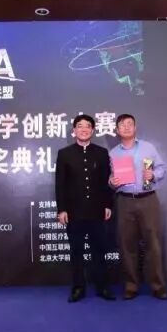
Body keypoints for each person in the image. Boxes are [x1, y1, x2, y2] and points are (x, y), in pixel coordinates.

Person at [55, 114, 116, 303]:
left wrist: (108, 204)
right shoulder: (64, 154)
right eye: (80, 126)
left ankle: (102, 287)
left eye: (87, 126)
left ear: (93, 130)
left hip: (97, 210)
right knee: (77, 252)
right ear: (74, 131)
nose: (84, 129)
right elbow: (60, 184)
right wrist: (62, 209)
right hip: (74, 212)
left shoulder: (101, 153)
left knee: (99, 251)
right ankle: (78, 288)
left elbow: (106, 182)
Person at [109, 114, 167, 300]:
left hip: (148, 199)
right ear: (117, 130)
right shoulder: (113, 154)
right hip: (124, 200)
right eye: (122, 125)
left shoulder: (148, 148)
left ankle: (158, 287)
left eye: (130, 124)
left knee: (153, 244)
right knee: (127, 245)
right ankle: (131, 286)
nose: (126, 127)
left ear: (135, 128)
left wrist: (153, 175)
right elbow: (109, 179)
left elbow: (162, 168)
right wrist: (111, 182)